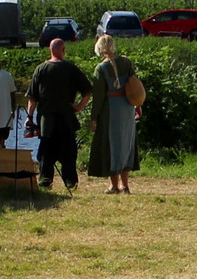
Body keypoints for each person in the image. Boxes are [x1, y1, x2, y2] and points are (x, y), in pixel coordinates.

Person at [26, 38, 94, 190]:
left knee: (46, 152)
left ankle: (45, 180)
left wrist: (29, 117)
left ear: (50, 50)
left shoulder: (41, 69)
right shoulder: (71, 68)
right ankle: (70, 182)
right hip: (66, 118)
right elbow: (88, 91)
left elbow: (32, 97)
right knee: (68, 153)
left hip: (46, 119)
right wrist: (78, 107)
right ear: (63, 50)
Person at [88, 34, 141, 193]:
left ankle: (114, 185)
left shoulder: (101, 68)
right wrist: (138, 105)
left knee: (112, 144)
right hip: (127, 106)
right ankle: (125, 185)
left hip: (111, 109)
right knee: (126, 143)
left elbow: (98, 97)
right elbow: (135, 85)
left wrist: (93, 118)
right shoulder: (127, 62)